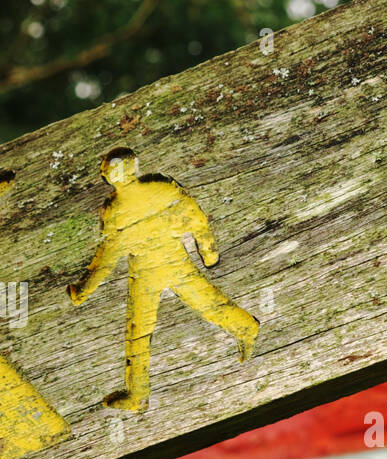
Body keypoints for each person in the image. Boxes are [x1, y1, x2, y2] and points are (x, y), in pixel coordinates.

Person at [69, 148, 259, 412]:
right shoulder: (162, 188)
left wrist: (83, 291)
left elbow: (106, 259)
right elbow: (197, 220)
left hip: (147, 274)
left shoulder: (116, 211)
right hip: (174, 264)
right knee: (208, 303)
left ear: (108, 177)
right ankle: (247, 328)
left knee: (139, 333)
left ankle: (137, 395)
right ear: (134, 166)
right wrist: (209, 253)